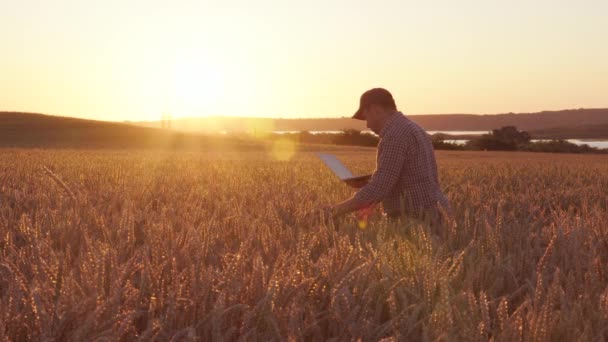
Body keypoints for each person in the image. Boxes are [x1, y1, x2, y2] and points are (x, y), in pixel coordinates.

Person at [327, 88, 450, 226]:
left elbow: (381, 186)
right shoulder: (413, 127)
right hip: (431, 213)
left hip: (414, 219)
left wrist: (335, 211)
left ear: (375, 110)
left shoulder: (394, 135)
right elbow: (407, 172)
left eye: (366, 117)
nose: (367, 125)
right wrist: (370, 179)